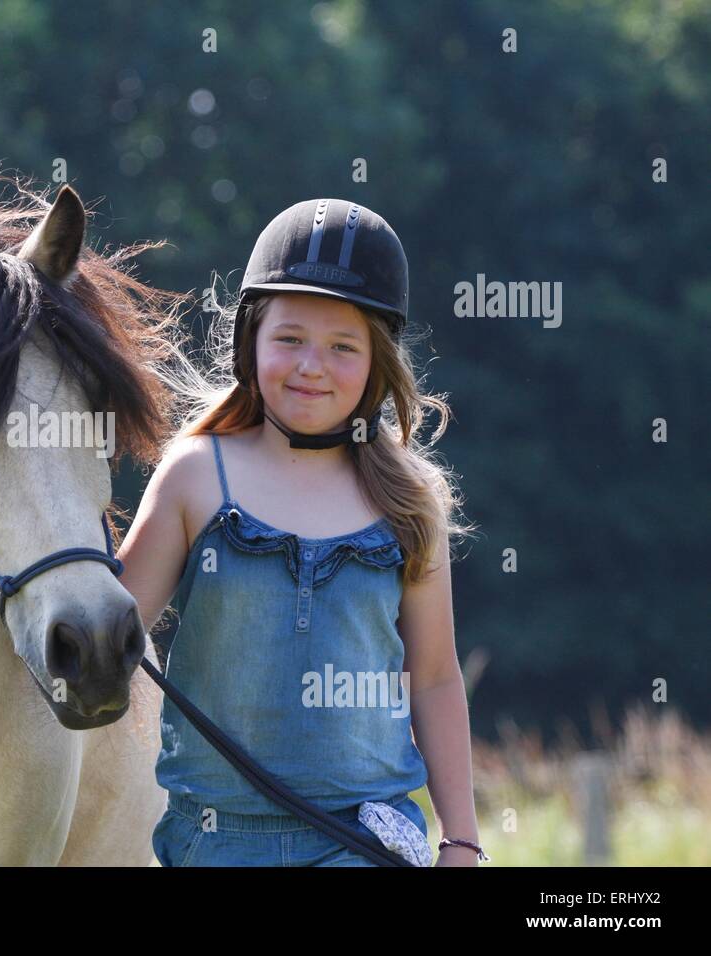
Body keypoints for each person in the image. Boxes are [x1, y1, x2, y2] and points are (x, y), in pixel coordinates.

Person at [117, 199, 487, 866]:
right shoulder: (196, 477)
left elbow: (432, 677)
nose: (312, 366)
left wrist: (461, 839)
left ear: (378, 365)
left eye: (343, 347)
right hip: (211, 843)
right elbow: (108, 642)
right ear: (249, 343)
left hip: (364, 843)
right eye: (289, 340)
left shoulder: (410, 502)